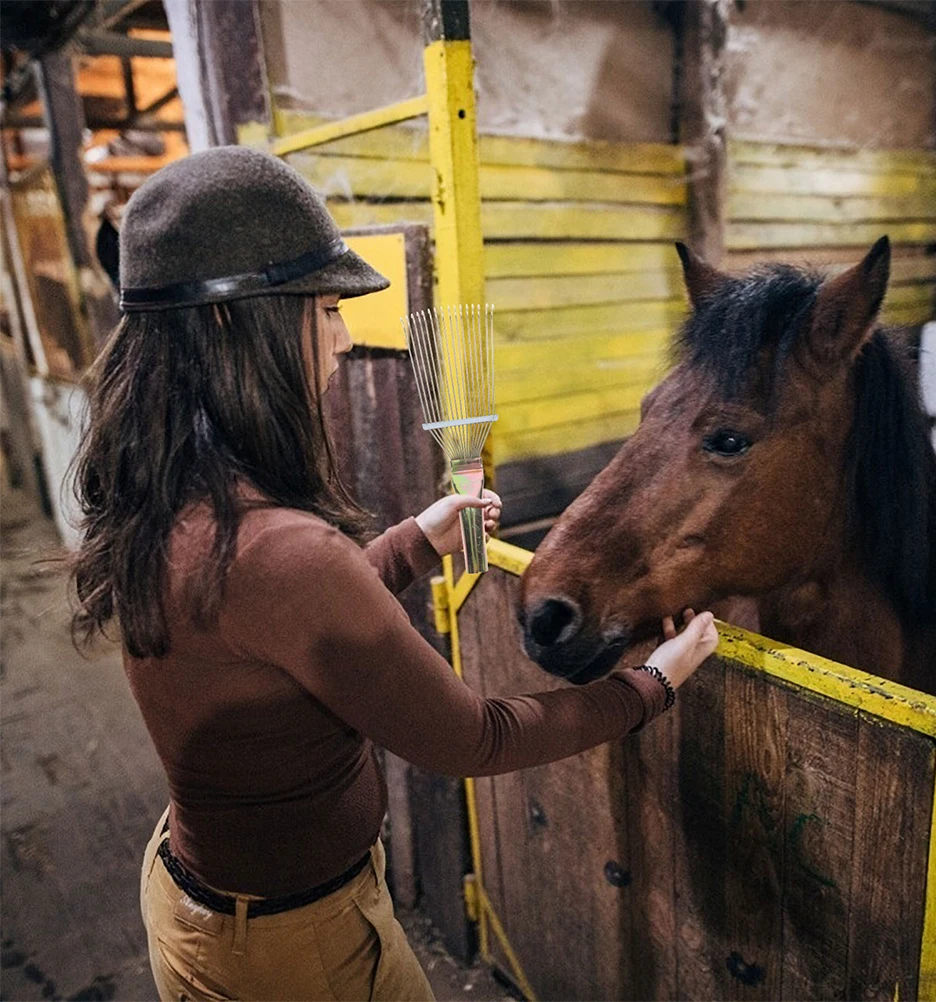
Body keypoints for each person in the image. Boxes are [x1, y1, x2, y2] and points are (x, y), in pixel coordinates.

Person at [69, 146, 718, 1002]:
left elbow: (278, 630)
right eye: (328, 310)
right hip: (297, 946)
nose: (340, 339)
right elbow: (472, 737)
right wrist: (652, 684)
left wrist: (413, 541)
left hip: (205, 894)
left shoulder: (174, 495)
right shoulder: (279, 547)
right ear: (232, 322)